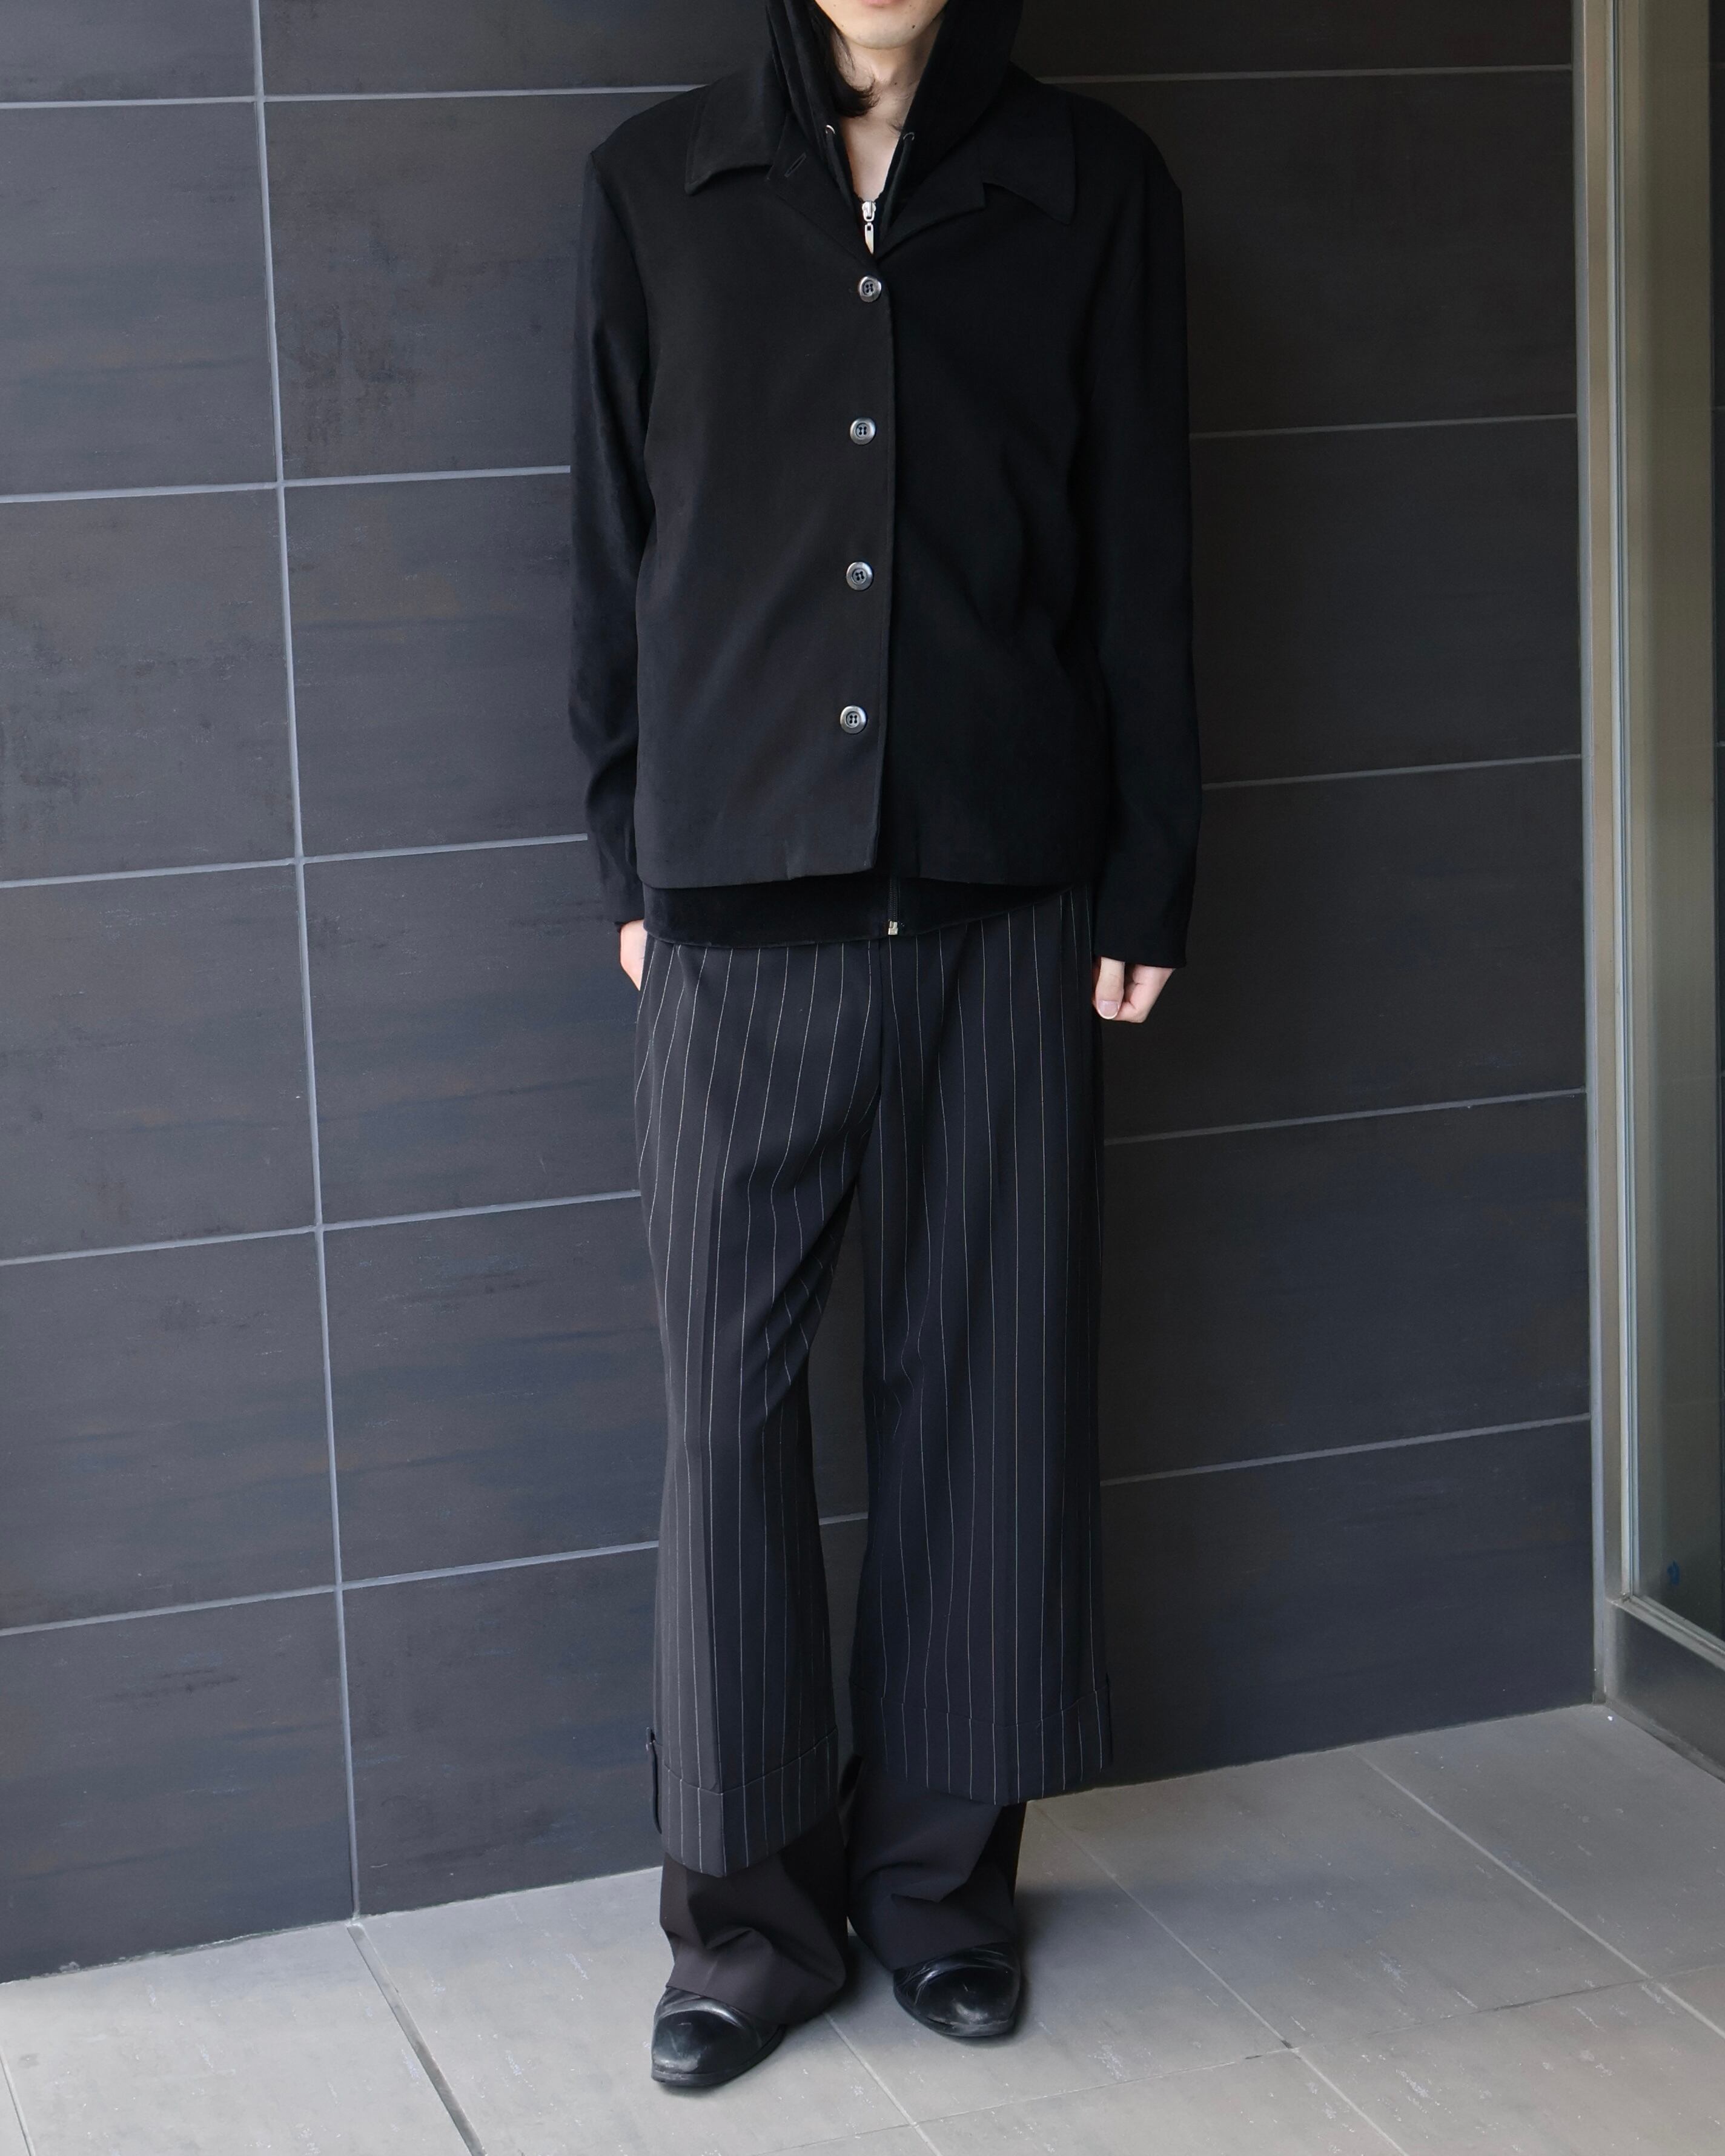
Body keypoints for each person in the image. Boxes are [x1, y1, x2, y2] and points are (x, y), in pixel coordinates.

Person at [568, 0, 1198, 2092]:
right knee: (728, 1421)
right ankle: (747, 1921)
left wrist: (1150, 873)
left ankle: (940, 1890)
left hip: (1010, 897)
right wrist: (628, 853)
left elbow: (1144, 544)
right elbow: (606, 547)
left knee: (987, 1401)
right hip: (736, 908)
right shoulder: (656, 189)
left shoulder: (1091, 187)